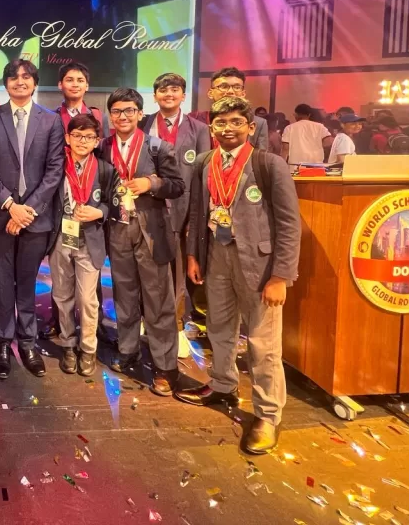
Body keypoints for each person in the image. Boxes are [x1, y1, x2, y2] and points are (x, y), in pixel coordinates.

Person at [176, 97, 301, 455]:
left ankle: (267, 414)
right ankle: (222, 384)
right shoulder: (205, 162)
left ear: (250, 126)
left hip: (259, 266)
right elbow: (198, 214)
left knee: (263, 344)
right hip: (217, 258)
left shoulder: (268, 164)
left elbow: (289, 224)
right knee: (219, 328)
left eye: (235, 122)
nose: (227, 129)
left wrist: (281, 276)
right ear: (211, 128)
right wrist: (193, 256)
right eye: (220, 123)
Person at [0, 59, 65, 379]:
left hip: (35, 219)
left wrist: (27, 210)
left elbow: (55, 170)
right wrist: (9, 205)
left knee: (28, 284)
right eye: (13, 77)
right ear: (5, 84)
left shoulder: (51, 120)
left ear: (35, 83)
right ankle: (2, 342)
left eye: (26, 77)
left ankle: (28, 342)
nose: (20, 81)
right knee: (2, 284)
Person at [99, 88, 185, 395]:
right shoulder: (102, 147)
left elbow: (178, 185)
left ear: (139, 113)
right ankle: (128, 350)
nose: (122, 116)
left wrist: (151, 182)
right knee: (124, 295)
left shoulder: (157, 147)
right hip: (118, 228)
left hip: (151, 232)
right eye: (116, 111)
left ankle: (165, 367)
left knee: (158, 299)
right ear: (110, 115)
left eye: (129, 111)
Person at [141, 72, 211, 357]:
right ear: (155, 95)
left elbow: (203, 175)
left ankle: (178, 327)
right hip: (149, 207)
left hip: (183, 209)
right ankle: (149, 321)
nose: (168, 94)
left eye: (174, 90)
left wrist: (197, 216)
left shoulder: (199, 129)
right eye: (162, 90)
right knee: (149, 271)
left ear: (183, 95)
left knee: (179, 273)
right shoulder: (144, 123)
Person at [49, 114, 116, 377]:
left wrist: (100, 212)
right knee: (62, 295)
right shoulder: (56, 165)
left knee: (87, 299)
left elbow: (113, 202)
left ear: (97, 141)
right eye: (77, 135)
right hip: (60, 238)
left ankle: (88, 349)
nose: (82, 141)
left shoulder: (105, 169)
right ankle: (67, 343)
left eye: (89, 137)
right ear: (67, 138)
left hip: (90, 239)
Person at [43, 60, 104, 341]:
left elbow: (102, 156)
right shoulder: (52, 117)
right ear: (60, 85)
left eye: (80, 80)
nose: (75, 84)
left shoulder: (96, 115)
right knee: (61, 279)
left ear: (87, 85)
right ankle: (61, 325)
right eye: (69, 79)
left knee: (89, 281)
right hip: (63, 201)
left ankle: (93, 328)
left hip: (90, 196)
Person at [188, 67, 268, 150]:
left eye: (237, 87)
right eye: (223, 86)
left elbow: (261, 155)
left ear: (243, 94)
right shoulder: (195, 120)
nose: (230, 91)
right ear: (210, 93)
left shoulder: (259, 123)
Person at [281, 103, 331, 169]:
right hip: (316, 166)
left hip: (296, 167)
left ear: (296, 114)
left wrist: (282, 165)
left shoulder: (289, 128)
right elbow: (328, 142)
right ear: (309, 115)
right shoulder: (320, 126)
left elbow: (285, 149)